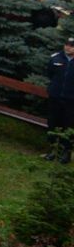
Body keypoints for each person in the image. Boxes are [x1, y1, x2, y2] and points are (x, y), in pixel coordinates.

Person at [49, 36, 74, 165]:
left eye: (71, 45)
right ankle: (53, 150)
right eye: (66, 44)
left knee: (68, 126)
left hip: (71, 101)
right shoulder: (56, 58)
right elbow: (49, 73)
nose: (68, 47)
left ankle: (66, 152)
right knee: (53, 124)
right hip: (56, 97)